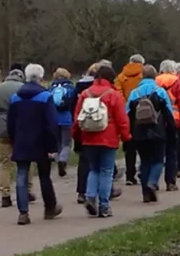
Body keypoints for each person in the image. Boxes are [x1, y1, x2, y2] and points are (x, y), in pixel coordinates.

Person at [7, 64, 64, 225]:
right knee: (44, 175)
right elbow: (52, 123)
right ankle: (50, 207)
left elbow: (10, 123)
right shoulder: (45, 96)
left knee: (21, 175)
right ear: (40, 77)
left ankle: (23, 212)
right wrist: (53, 146)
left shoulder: (15, 97)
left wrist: (13, 140)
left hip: (21, 141)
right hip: (41, 141)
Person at [72, 65, 130, 218]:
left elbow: (77, 117)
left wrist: (76, 136)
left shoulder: (85, 93)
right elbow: (122, 120)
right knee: (106, 171)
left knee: (94, 169)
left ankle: (91, 196)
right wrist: (126, 137)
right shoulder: (113, 94)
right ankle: (104, 206)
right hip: (108, 137)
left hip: (88, 137)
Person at [125, 65, 174, 202]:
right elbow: (169, 113)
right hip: (158, 131)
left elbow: (127, 113)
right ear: (155, 76)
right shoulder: (160, 92)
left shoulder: (134, 93)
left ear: (142, 76)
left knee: (145, 161)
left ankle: (145, 194)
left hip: (139, 132)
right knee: (158, 160)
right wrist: (171, 131)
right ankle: (152, 182)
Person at [0, 63, 26, 208]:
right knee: (25, 161)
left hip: (2, 127)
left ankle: (5, 195)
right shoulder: (23, 88)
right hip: (20, 128)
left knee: (5, 163)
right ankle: (26, 191)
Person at [155, 60, 180, 191]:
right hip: (174, 120)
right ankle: (170, 182)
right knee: (171, 152)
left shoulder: (155, 81)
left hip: (157, 120)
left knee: (157, 153)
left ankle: (154, 180)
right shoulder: (177, 82)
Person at [116, 55, 145, 186]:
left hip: (127, 113)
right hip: (143, 111)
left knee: (129, 145)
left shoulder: (121, 76)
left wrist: (125, 105)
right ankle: (143, 172)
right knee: (144, 144)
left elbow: (118, 93)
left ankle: (130, 175)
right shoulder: (144, 75)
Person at [49, 68, 76, 177]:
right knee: (66, 143)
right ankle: (63, 160)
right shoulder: (70, 88)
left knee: (58, 143)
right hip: (67, 119)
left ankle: (58, 161)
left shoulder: (51, 88)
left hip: (54, 119)